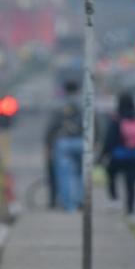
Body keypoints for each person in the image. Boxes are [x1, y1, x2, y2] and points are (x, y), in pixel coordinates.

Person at [101, 92, 135, 216]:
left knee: (110, 173)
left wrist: (103, 155)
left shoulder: (117, 119)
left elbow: (110, 139)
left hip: (119, 156)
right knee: (131, 184)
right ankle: (131, 210)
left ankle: (114, 198)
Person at [48, 81, 85, 212]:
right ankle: (81, 201)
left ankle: (69, 205)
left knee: (65, 176)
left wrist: (48, 146)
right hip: (82, 141)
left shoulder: (59, 105)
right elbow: (95, 124)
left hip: (63, 142)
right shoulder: (84, 103)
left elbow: (51, 127)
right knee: (81, 174)